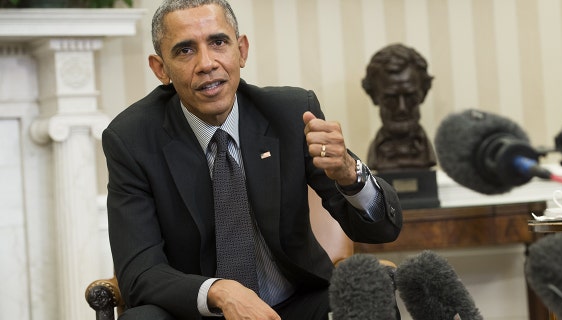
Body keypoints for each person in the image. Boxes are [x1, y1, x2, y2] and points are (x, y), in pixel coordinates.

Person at [101, 1, 403, 319]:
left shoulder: (290, 113)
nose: (207, 63)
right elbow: (139, 272)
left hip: (296, 304)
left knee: (371, 296)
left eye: (218, 42)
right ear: (161, 68)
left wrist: (349, 175)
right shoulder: (132, 139)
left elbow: (382, 230)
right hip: (196, 310)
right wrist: (219, 291)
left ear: (241, 50)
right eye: (185, 51)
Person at [362, 43, 438, 171]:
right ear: (374, 96)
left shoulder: (426, 151)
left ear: (423, 93)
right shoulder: (376, 153)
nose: (401, 108)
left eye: (410, 97)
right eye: (391, 98)